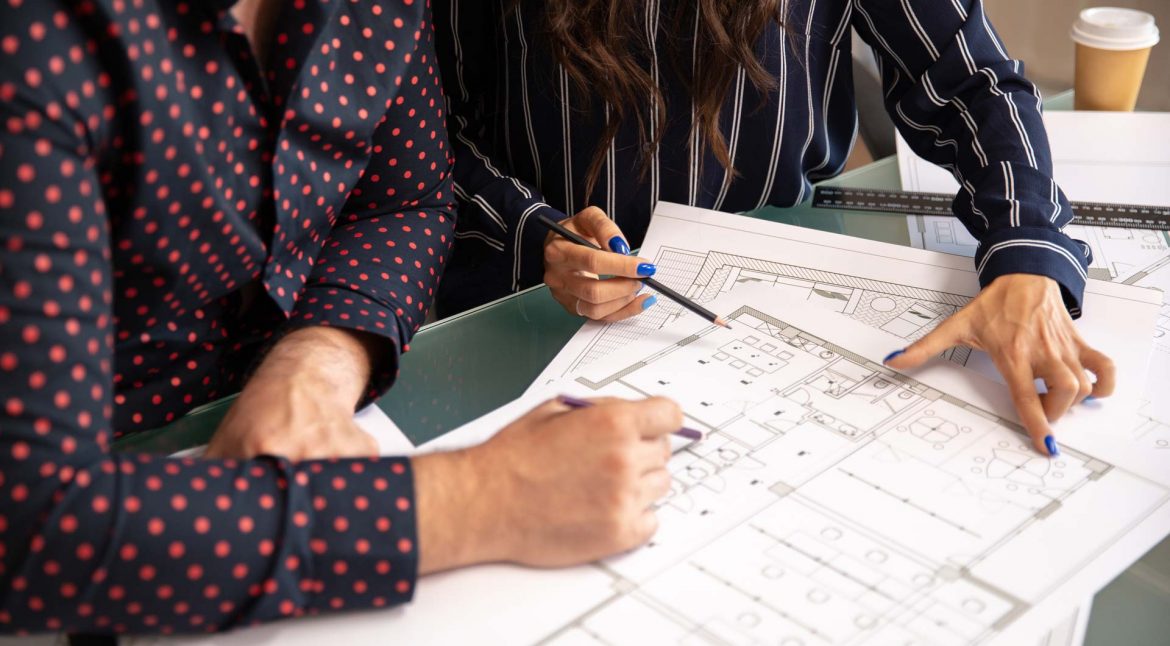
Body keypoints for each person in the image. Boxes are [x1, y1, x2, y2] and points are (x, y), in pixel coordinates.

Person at [0, 0, 680, 635]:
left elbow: (403, 202)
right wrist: (485, 497)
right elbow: (30, 521)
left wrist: (313, 365)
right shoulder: (33, 37)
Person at [433, 0, 1116, 456]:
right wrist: (539, 236)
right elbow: (426, 132)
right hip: (524, 302)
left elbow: (975, 84)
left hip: (780, 265)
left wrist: (1027, 256)